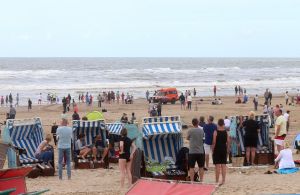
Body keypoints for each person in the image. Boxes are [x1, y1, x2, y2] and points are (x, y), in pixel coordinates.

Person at [212, 119, 230, 185]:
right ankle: (223, 180)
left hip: (217, 149)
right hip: (224, 149)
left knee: (217, 166)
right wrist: (228, 150)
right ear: (223, 124)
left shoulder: (215, 132)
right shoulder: (226, 132)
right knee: (223, 165)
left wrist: (213, 150)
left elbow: (214, 142)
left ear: (218, 124)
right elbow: (228, 142)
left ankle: (217, 180)